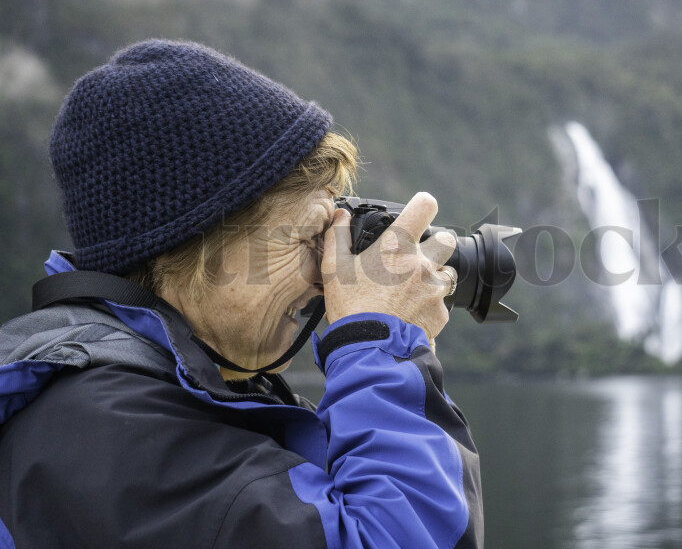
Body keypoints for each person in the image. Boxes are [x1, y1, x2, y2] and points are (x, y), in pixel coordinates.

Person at [0, 39, 483, 548]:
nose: (328, 274)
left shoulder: (136, 398)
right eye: (310, 237)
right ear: (190, 242)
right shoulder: (110, 432)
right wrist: (379, 344)